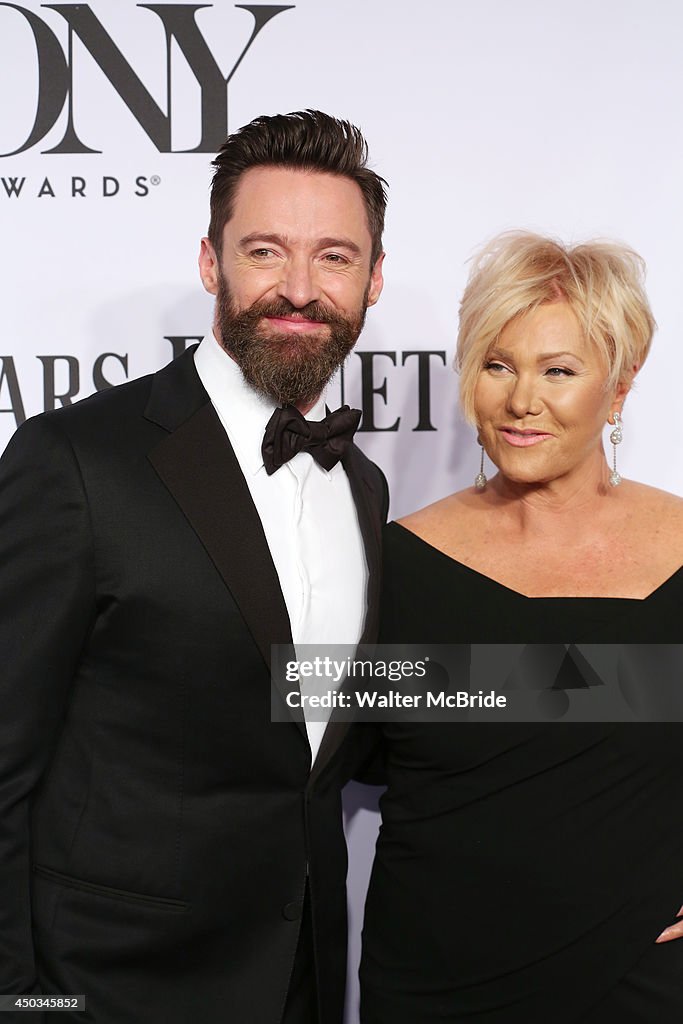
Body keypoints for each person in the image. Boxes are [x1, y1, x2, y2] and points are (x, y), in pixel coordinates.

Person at [0, 110, 388, 1024]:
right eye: (265, 251)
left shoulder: (362, 486)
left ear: (372, 280)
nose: (299, 289)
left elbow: (344, 717)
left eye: (333, 257)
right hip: (109, 989)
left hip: (303, 985)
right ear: (211, 263)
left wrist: (630, 694)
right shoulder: (77, 461)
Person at [360, 232, 683, 1023]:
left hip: (640, 971)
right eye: (497, 365)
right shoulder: (392, 558)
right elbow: (333, 749)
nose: (520, 401)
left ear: (620, 385)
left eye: (558, 370)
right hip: (435, 977)